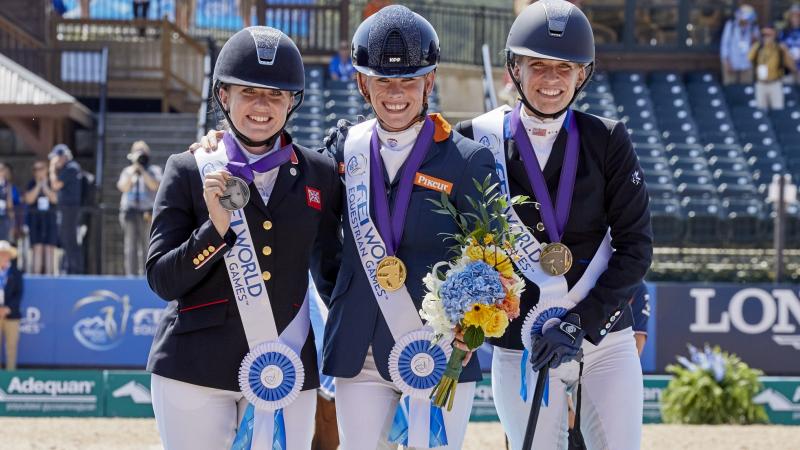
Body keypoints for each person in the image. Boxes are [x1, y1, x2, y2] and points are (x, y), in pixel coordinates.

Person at [455, 1, 653, 449]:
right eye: (537, 65)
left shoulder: (608, 140)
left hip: (605, 337)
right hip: (520, 341)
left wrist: (578, 322)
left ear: (581, 75)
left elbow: (636, 247)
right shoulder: (474, 138)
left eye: (564, 68)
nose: (550, 80)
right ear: (515, 70)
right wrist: (348, 151)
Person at [145, 26, 340, 450]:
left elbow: (332, 274)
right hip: (195, 369)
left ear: (292, 102)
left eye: (275, 94)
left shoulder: (320, 175)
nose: (261, 105)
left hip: (286, 370)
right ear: (223, 96)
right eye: (249, 91)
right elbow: (162, 280)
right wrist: (214, 230)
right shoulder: (188, 168)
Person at [320, 6, 498, 449]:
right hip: (357, 346)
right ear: (363, 83)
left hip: (439, 348)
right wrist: (346, 295)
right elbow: (320, 242)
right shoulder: (344, 146)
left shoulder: (468, 159)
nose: (395, 93)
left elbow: (491, 257)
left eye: (409, 81)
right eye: (382, 80)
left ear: (429, 82)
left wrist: (469, 329)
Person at [117, 140, 162, 276]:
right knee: (130, 246)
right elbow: (123, 187)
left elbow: (155, 186)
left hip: (146, 212)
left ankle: (146, 275)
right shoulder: (127, 171)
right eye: (137, 151)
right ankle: (130, 275)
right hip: (129, 212)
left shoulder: (154, 170)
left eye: (142, 151)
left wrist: (142, 170)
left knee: (147, 245)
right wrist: (134, 170)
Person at [48, 144, 84, 274]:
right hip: (68, 208)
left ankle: (74, 269)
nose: (55, 161)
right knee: (66, 238)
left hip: (70, 208)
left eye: (56, 158)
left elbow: (55, 185)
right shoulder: (70, 168)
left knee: (69, 239)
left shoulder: (71, 168)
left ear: (63, 156)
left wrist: (51, 168)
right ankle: (69, 267)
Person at [24, 161, 59, 275]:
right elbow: (29, 199)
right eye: (37, 170)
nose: (39, 172)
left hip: (50, 219)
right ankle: (36, 274)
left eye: (42, 169)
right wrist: (38, 185)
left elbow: (55, 199)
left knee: (50, 248)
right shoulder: (31, 184)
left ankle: (50, 274)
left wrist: (45, 186)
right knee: (37, 247)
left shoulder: (52, 183)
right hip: (35, 219)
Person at [749, 26, 796, 110]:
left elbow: (791, 65)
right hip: (761, 83)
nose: (766, 37)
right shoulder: (758, 47)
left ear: (774, 35)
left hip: (775, 83)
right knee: (761, 110)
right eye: (764, 34)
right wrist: (757, 44)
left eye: (769, 34)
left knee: (778, 109)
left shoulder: (780, 48)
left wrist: (786, 51)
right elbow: (749, 58)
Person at [720, 4, 760, 85]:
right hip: (732, 62)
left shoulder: (753, 27)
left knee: (746, 88)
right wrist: (726, 62)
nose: (745, 21)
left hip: (747, 64)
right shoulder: (731, 25)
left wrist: (755, 39)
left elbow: (757, 46)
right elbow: (724, 45)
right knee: (730, 88)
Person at [0, 241, 23, 370]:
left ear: (9, 256)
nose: (2, 256)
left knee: (11, 347)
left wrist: (7, 309)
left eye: (4, 254)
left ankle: (10, 377)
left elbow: (19, 294)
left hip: (12, 315)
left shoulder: (16, 273)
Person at [780, 4, 800, 81]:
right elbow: (781, 47)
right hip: (787, 68)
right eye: (793, 16)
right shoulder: (785, 31)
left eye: (798, 16)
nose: (795, 19)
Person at [0, 163, 17, 242]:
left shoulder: (7, 185)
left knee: (4, 243)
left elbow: (10, 205)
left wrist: (12, 223)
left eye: (2, 170)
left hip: (4, 217)